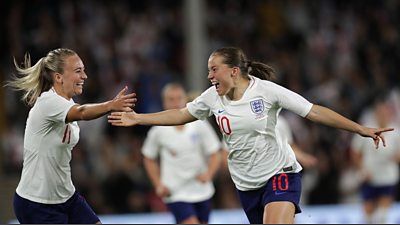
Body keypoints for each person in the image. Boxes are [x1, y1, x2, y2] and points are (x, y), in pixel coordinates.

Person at [108, 46, 394, 224]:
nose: (209, 76)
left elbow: (314, 111)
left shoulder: (266, 92)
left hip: (280, 173)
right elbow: (182, 113)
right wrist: (139, 118)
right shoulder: (212, 97)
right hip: (246, 185)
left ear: (233, 71)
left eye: (213, 69)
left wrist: (360, 129)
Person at [5, 48, 136, 224]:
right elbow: (81, 112)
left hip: (66, 196)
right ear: (58, 77)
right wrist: (110, 105)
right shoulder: (48, 102)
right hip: (38, 203)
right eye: (78, 71)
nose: (85, 76)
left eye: (84, 70)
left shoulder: (67, 103)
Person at [141, 83, 221, 224]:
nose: (176, 102)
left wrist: (209, 174)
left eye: (179, 98)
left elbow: (215, 152)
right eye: (171, 99)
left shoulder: (199, 124)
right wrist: (158, 184)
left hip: (201, 190)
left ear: (185, 100)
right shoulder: (158, 130)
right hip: (175, 192)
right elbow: (148, 158)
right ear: (164, 102)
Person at [350, 94, 400, 224]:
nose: (383, 113)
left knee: (382, 216)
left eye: (385, 110)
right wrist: (362, 169)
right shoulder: (367, 129)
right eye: (380, 111)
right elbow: (354, 151)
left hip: (388, 176)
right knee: (368, 217)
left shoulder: (396, 131)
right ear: (376, 112)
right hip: (369, 175)